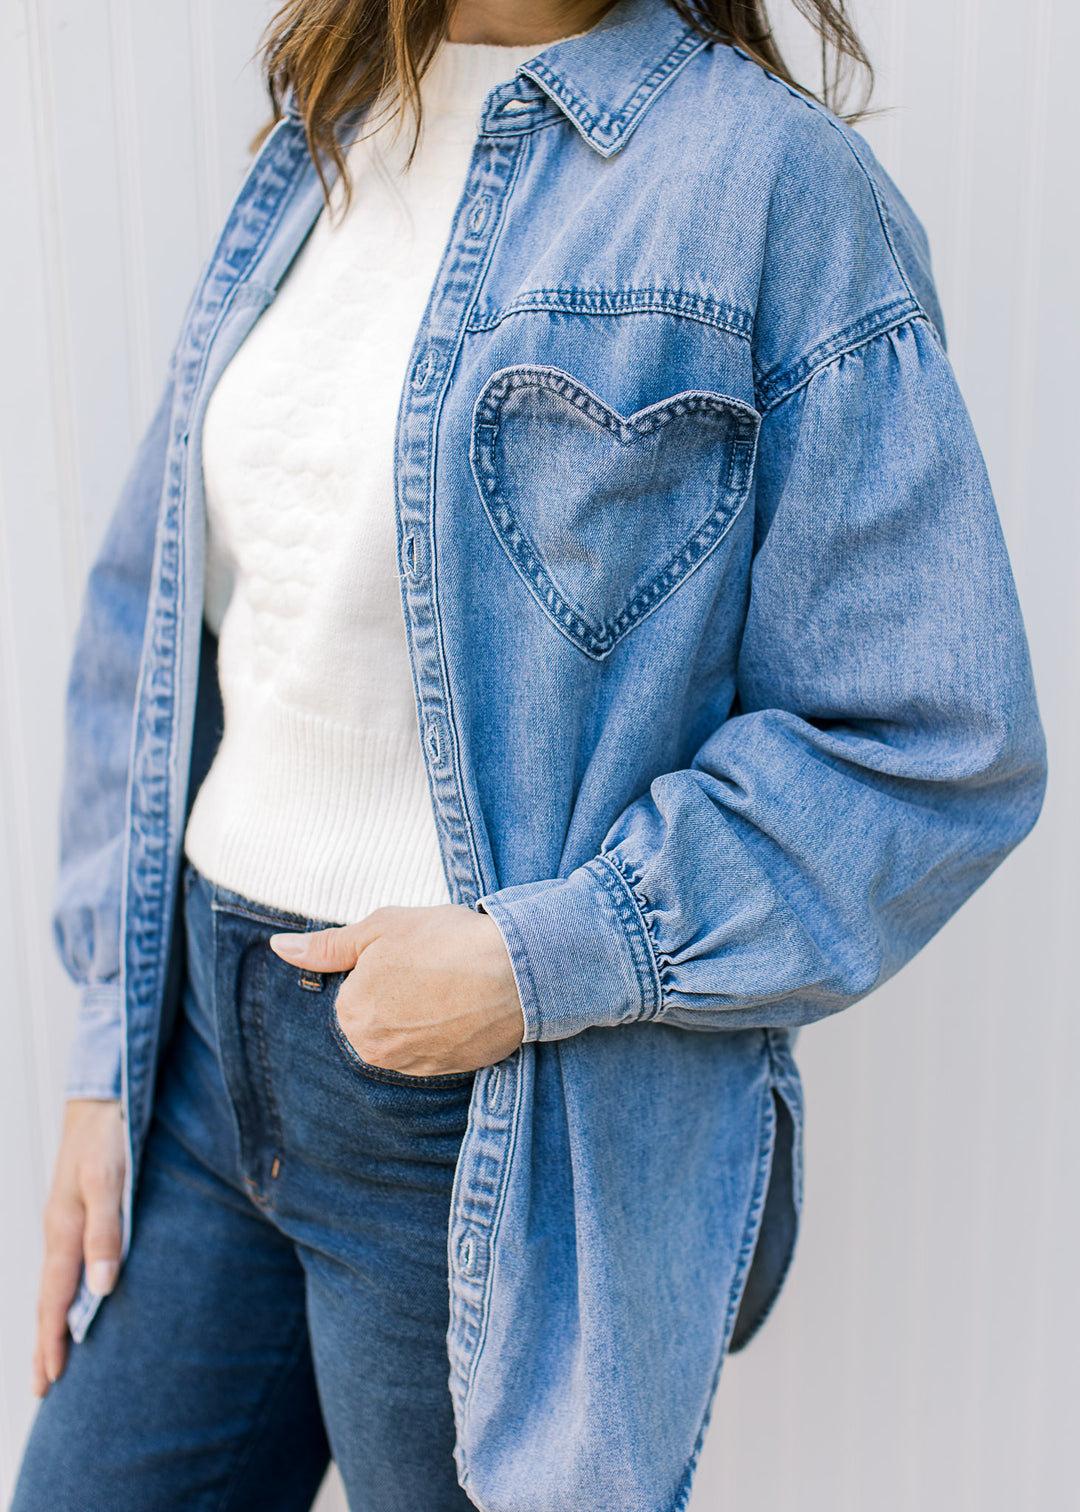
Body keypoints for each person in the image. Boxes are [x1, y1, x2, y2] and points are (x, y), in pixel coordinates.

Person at [14, 0, 1046, 1508]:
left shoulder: (769, 189)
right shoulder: (335, 123)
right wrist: (106, 1050)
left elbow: (932, 741)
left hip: (471, 1109)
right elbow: (163, 606)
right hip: (198, 1060)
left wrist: (534, 961)